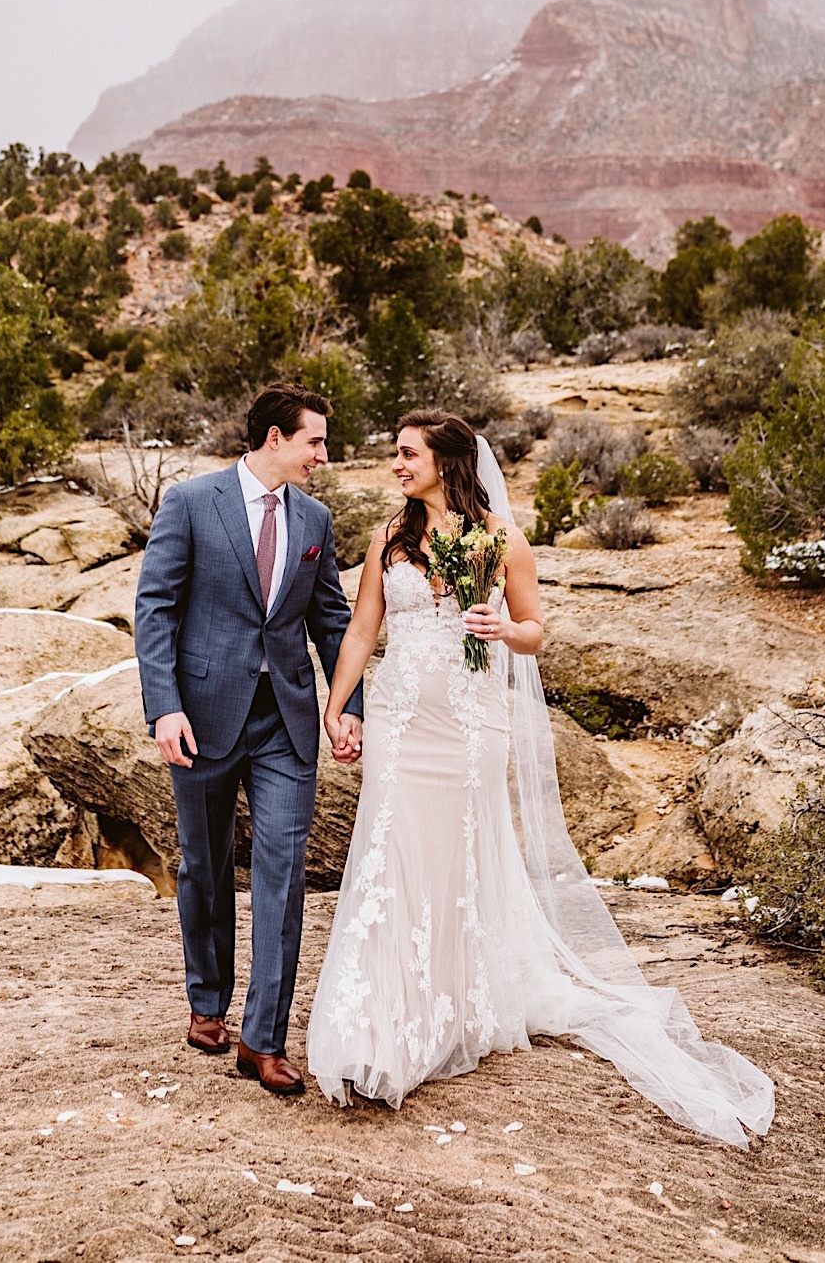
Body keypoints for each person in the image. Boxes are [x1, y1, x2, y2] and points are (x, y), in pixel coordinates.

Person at [306, 408, 774, 1148]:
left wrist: (499, 630)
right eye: (395, 454)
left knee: (453, 861)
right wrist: (339, 708)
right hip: (399, 720)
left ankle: (451, 1009)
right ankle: (376, 1022)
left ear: (446, 461)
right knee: (390, 856)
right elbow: (364, 628)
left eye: (407, 454)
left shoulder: (500, 539)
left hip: (467, 726)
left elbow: (533, 629)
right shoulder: (386, 537)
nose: (396, 465)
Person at [134, 382, 363, 1096]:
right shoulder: (192, 504)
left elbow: (331, 619)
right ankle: (207, 1001)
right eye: (314, 442)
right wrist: (164, 708)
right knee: (203, 864)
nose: (323, 456)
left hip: (285, 722)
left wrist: (348, 703)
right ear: (274, 438)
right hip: (201, 716)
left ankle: (263, 1039)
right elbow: (155, 609)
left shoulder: (317, 518)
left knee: (283, 873)